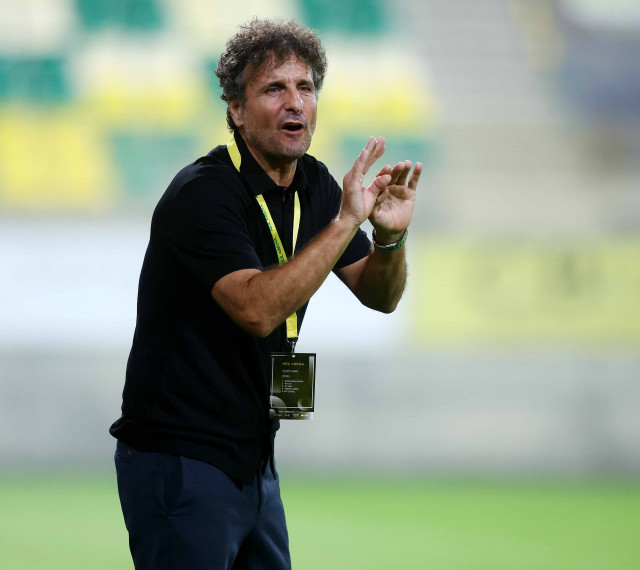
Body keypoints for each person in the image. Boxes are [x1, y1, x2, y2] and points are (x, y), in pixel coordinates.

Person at [110, 17, 421, 570]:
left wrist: (389, 239)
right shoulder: (202, 193)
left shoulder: (315, 184)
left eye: (306, 87)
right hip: (180, 457)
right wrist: (346, 222)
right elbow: (256, 310)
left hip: (254, 459)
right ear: (236, 109)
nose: (295, 103)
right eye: (274, 89)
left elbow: (380, 295)